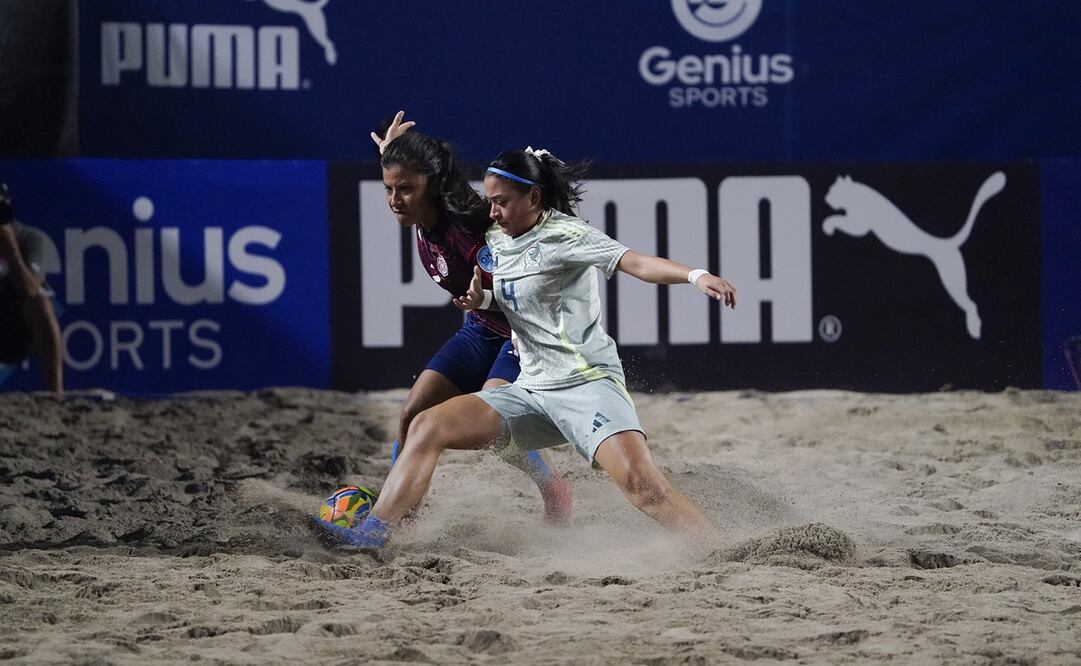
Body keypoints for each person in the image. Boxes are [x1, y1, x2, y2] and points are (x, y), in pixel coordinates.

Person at [312, 146, 736, 550]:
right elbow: (517, 292)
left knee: (646, 491)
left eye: (501, 202)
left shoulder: (567, 235)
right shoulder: (499, 238)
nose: (492, 212)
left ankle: (722, 551)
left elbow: (636, 262)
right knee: (425, 425)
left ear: (534, 196)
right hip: (530, 390)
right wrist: (482, 302)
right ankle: (372, 532)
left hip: (584, 385)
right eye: (489, 201)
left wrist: (696, 275)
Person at [365, 113, 572, 523]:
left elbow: (533, 283)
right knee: (410, 414)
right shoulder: (426, 214)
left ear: (432, 184)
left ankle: (554, 487)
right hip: (480, 329)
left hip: (522, 335)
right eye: (389, 188)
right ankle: (401, 513)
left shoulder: (472, 231)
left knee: (493, 422)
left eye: (405, 189)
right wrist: (392, 152)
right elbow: (412, 170)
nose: (394, 200)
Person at [0, 182, 63, 394]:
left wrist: (9, 246)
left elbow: (29, 289)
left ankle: (55, 395)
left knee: (41, 303)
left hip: (13, 326)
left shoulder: (28, 237)